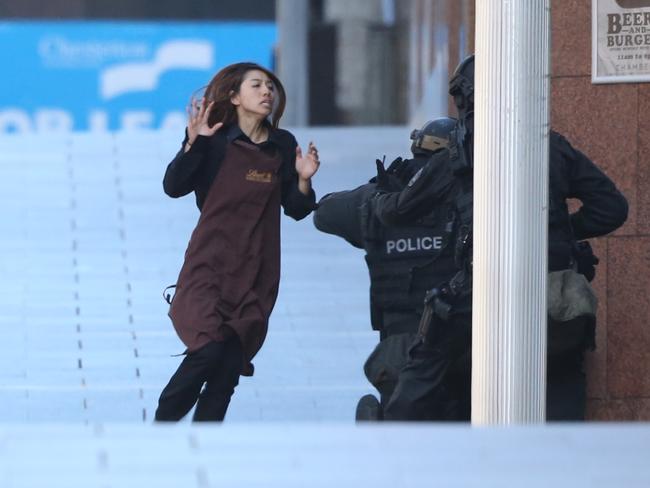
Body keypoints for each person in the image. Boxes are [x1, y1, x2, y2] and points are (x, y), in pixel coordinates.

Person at [373, 54, 629, 421]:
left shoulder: (459, 154)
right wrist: (555, 232)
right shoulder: (551, 145)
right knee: (561, 371)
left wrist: (381, 196)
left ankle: (395, 452)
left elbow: (396, 211)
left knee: (424, 362)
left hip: (483, 286)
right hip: (554, 286)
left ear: (467, 97)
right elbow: (612, 208)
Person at [155, 62, 321, 422]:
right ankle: (162, 426)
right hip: (209, 264)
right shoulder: (213, 138)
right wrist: (192, 143)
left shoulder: (283, 145)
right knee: (208, 347)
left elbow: (295, 208)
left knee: (228, 368)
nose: (267, 93)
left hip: (256, 270)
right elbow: (174, 187)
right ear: (234, 96)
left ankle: (205, 444)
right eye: (257, 86)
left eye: (271, 88)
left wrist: (304, 180)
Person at [313, 118, 458, 420]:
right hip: (461, 340)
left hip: (399, 345)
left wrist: (375, 190)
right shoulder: (469, 195)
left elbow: (324, 213)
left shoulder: (382, 197)